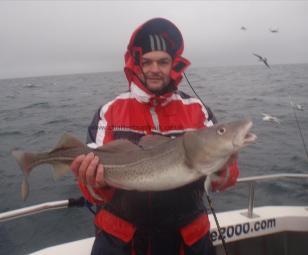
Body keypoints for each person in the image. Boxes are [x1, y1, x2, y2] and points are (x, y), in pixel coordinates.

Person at [70, 17, 239, 255]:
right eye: (147, 62)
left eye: (163, 61)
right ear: (136, 64)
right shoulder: (110, 111)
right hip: (122, 243)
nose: (155, 69)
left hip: (187, 241)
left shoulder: (197, 110)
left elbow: (225, 181)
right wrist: (94, 182)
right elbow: (91, 192)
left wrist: (223, 167)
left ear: (174, 64)